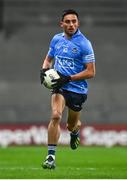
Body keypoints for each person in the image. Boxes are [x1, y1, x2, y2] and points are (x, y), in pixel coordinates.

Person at [40, 9, 96, 169]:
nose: (71, 24)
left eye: (74, 21)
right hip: (60, 86)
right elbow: (48, 58)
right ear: (62, 24)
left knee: (72, 124)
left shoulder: (84, 44)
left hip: (77, 90)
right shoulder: (56, 39)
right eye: (68, 22)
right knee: (56, 115)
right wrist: (44, 70)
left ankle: (74, 132)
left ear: (78, 23)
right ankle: (50, 157)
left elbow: (91, 72)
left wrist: (69, 78)